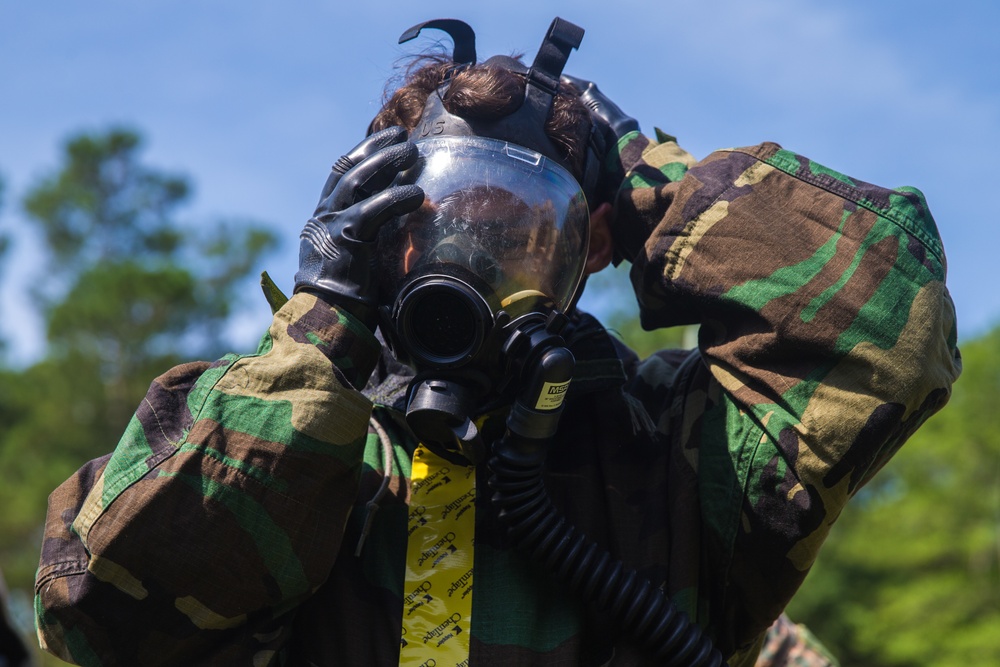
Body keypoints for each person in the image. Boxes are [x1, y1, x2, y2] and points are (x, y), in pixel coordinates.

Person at [33, 16, 960, 667]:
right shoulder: (283, 451)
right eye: (433, 225)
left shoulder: (674, 462)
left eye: (517, 231)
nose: (467, 265)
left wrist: (640, 168)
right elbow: (101, 618)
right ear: (373, 236)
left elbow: (888, 321)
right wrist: (320, 324)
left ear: (589, 246)